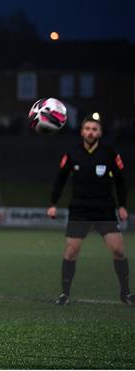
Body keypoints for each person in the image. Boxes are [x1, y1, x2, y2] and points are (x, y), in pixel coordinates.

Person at [47, 116, 133, 306]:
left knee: (119, 250)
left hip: (105, 209)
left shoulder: (109, 153)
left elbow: (120, 181)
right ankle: (65, 294)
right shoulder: (72, 153)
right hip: (80, 209)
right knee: (71, 252)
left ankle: (126, 293)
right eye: (87, 128)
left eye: (94, 129)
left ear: (100, 132)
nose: (90, 132)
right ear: (82, 131)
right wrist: (53, 203)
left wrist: (122, 205)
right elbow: (60, 179)